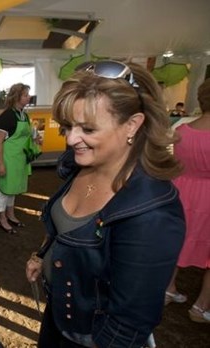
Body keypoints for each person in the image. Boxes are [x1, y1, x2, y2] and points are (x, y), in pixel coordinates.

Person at [25, 60, 185, 347]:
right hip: (59, 317)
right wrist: (43, 255)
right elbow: (64, 229)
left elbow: (127, 326)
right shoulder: (81, 164)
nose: (72, 139)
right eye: (68, 126)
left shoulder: (153, 215)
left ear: (132, 125)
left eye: (87, 128)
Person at [165, 78, 210, 323]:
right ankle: (201, 308)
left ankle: (168, 289)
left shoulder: (182, 131)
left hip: (182, 193)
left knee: (178, 242)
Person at [0, 83, 33, 234]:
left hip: (20, 159)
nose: (28, 97)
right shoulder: (7, 116)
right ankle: (1, 218)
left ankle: (11, 214)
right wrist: (1, 163)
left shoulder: (24, 115)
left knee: (14, 188)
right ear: (17, 97)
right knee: (4, 190)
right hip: (8, 159)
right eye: (25, 95)